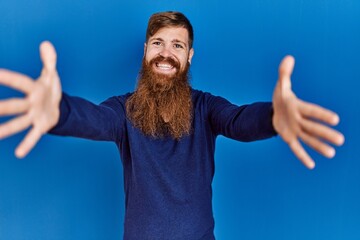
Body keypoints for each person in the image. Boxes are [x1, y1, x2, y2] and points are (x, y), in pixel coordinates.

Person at [0, 11, 344, 239]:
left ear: (189, 55)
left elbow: (239, 121)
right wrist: (58, 111)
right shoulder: (123, 110)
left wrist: (272, 117)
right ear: (146, 50)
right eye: (158, 43)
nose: (166, 53)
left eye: (177, 45)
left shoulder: (207, 107)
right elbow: (94, 119)